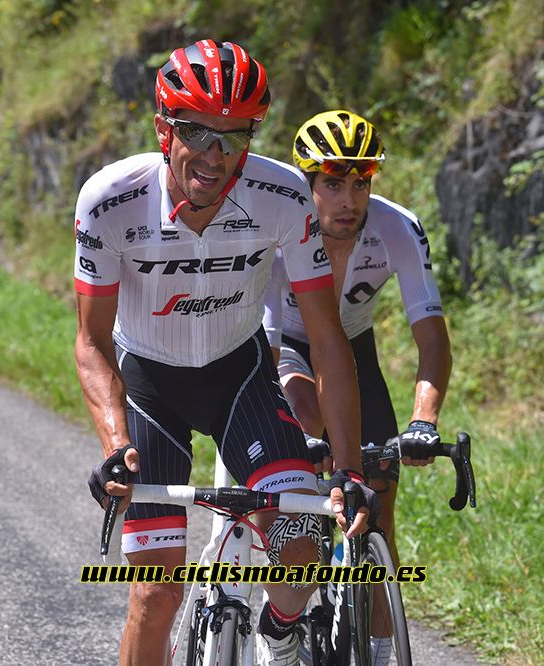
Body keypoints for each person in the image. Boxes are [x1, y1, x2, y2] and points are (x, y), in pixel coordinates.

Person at [74, 40, 375, 666]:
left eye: (234, 138)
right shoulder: (109, 201)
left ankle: (279, 630)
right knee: (157, 595)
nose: (215, 156)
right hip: (151, 389)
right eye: (197, 133)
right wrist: (112, 443)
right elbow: (93, 341)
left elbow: (325, 336)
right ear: (164, 129)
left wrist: (347, 467)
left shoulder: (284, 195)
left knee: (300, 553)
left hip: (242, 381)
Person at [264, 110, 453, 590]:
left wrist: (423, 423)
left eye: (360, 184)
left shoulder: (397, 228)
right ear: (307, 184)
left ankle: (378, 648)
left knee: (380, 508)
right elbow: (264, 345)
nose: (349, 201)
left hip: (353, 351)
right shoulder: (280, 231)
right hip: (284, 346)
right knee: (305, 418)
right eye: (332, 184)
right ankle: (283, 588)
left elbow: (432, 339)